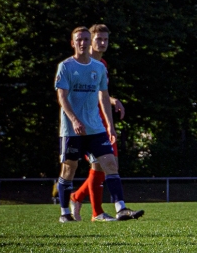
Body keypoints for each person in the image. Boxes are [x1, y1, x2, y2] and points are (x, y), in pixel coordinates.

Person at [55, 27, 143, 223]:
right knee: (69, 169)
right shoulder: (66, 67)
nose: (83, 43)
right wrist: (74, 120)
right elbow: (62, 97)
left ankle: (121, 208)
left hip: (96, 128)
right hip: (72, 129)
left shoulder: (99, 67)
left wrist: (110, 125)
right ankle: (65, 212)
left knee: (110, 164)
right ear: (73, 43)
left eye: (86, 39)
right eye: (79, 40)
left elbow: (103, 96)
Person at [69, 24, 126, 222]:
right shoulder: (83, 63)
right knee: (99, 164)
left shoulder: (102, 64)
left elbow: (100, 92)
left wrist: (112, 101)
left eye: (105, 39)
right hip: (87, 122)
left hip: (102, 120)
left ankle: (77, 197)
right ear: (90, 41)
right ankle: (96, 212)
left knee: (108, 165)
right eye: (98, 39)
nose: (102, 43)